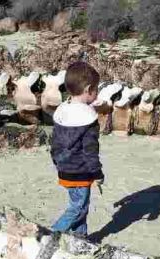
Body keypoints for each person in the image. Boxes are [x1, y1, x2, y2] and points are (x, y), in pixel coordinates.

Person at [50, 61, 104, 237]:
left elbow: (55, 144)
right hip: (80, 172)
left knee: (81, 207)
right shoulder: (88, 119)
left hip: (64, 169)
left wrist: (57, 162)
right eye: (96, 89)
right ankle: (51, 235)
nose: (97, 93)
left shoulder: (62, 111)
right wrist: (98, 174)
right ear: (88, 89)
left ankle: (81, 239)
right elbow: (90, 151)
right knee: (78, 208)